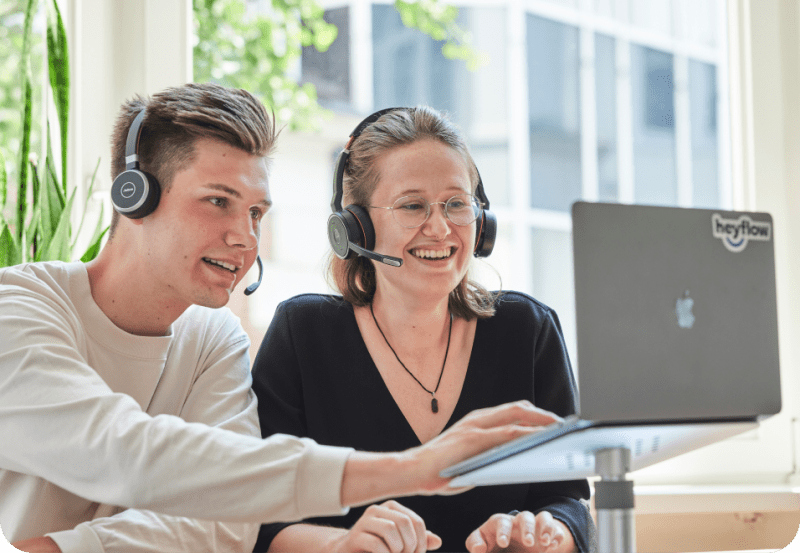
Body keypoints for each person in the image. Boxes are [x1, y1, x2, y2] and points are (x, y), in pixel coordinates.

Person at [0, 84, 566, 553]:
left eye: (255, 212)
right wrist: (411, 469)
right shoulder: (18, 309)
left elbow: (225, 521)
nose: (245, 237)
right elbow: (121, 452)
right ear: (135, 197)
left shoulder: (213, 339)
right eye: (217, 201)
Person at [252, 106, 597, 553]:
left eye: (457, 204)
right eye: (412, 206)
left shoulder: (527, 330)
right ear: (355, 225)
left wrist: (548, 535)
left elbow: (567, 496)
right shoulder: (303, 334)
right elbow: (259, 517)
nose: (439, 228)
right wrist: (343, 544)